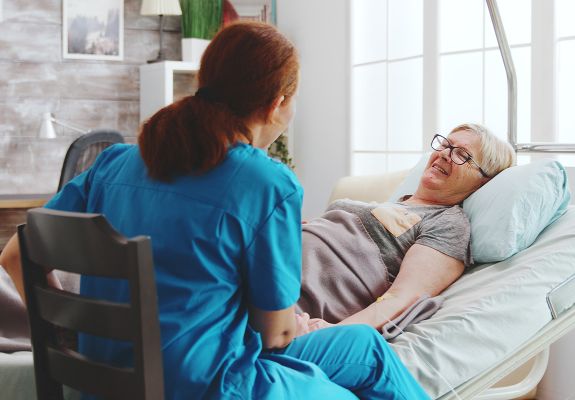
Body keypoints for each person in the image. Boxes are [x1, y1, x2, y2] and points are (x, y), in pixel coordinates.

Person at [0, 22, 429, 400]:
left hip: (110, 376)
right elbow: (275, 335)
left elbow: (16, 255)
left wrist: (69, 334)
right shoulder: (267, 183)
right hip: (211, 385)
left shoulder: (114, 162)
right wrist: (295, 326)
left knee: (365, 347)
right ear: (277, 102)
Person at [298, 124, 516, 332]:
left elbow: (403, 298)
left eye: (462, 155)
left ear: (483, 182)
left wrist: (331, 333)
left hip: (291, 298)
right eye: (445, 145)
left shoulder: (448, 223)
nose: (445, 154)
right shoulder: (388, 205)